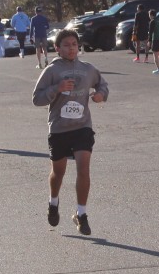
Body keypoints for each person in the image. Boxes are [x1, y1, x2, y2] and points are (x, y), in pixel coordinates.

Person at [33, 29, 109, 235]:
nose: (71, 48)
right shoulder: (51, 71)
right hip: (59, 128)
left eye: (74, 44)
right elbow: (37, 98)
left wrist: (101, 95)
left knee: (84, 168)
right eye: (66, 45)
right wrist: (56, 88)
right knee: (58, 172)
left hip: (82, 127)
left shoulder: (88, 69)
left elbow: (103, 85)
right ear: (57, 48)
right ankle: (53, 202)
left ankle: (81, 214)